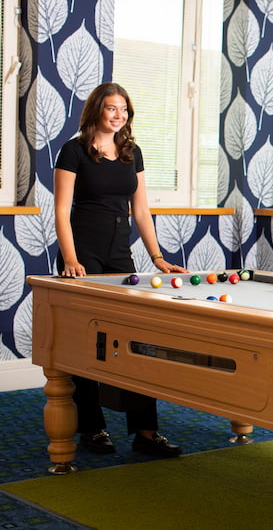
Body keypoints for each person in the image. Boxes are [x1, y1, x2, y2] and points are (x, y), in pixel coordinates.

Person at [54, 82, 187, 458]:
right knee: (87, 342)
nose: (119, 116)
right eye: (112, 109)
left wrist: (157, 257)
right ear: (96, 110)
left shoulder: (132, 153)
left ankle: (146, 433)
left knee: (137, 338)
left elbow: (141, 212)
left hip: (119, 253)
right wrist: (70, 259)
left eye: (124, 110)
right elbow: (62, 211)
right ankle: (92, 429)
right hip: (83, 253)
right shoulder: (74, 151)